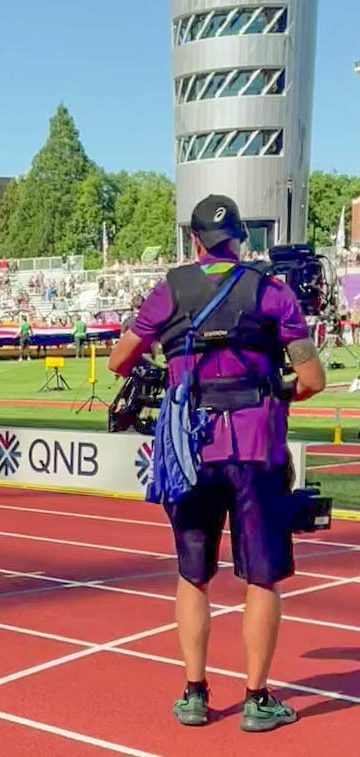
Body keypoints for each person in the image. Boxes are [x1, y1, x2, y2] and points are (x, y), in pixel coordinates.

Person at [109, 195, 326, 733]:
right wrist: (272, 392)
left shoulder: (169, 290)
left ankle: (194, 693)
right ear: (242, 241)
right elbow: (314, 380)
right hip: (257, 451)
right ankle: (256, 699)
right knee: (261, 579)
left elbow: (119, 360)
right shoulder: (272, 293)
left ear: (196, 241)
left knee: (192, 576)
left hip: (190, 453)